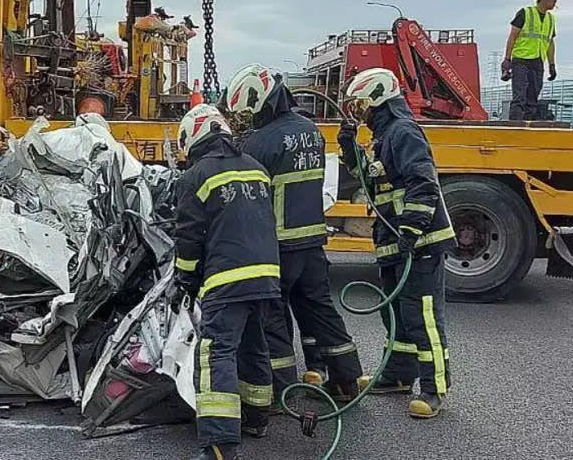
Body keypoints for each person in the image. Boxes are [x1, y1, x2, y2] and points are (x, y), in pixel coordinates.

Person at [221, 64, 363, 405]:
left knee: (273, 318)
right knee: (320, 311)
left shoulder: (259, 142)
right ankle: (347, 380)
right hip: (313, 242)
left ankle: (282, 391)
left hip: (279, 246)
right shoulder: (310, 130)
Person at [338, 67, 455, 419]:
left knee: (423, 319)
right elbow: (373, 181)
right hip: (393, 240)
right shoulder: (384, 136)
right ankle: (399, 375)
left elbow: (423, 184)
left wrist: (411, 230)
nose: (360, 113)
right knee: (397, 316)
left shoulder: (403, 132)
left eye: (361, 105)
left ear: (377, 99)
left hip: (419, 242)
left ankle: (434, 389)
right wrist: (349, 148)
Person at [173, 104, 281, 460]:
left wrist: (185, 278)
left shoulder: (197, 175)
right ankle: (257, 417)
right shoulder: (257, 169)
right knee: (254, 345)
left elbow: (189, 237)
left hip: (226, 279)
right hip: (266, 277)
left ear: (194, 138)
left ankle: (220, 444)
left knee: (215, 352)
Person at [502, 0, 564, 120]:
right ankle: (514, 128)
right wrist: (507, 59)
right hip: (521, 60)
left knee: (533, 97)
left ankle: (527, 127)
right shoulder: (525, 13)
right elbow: (513, 36)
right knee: (520, 96)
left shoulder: (551, 19)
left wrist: (552, 65)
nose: (555, 2)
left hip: (538, 61)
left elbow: (550, 43)